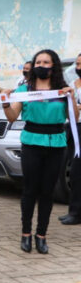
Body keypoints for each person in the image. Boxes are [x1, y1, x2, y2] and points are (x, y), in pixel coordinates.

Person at [4, 49, 76, 253]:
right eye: (38, 62)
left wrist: (71, 98)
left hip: (56, 144)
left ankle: (41, 235)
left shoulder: (62, 90)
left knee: (47, 192)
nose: (41, 66)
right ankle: (25, 233)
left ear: (54, 66)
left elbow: (74, 116)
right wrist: (4, 103)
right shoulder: (25, 89)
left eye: (46, 62)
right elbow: (12, 116)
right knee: (30, 190)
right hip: (32, 142)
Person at [59, 53, 81, 225]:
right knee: (74, 172)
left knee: (76, 171)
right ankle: (74, 211)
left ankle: (76, 213)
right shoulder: (73, 84)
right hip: (73, 129)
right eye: (78, 64)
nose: (79, 68)